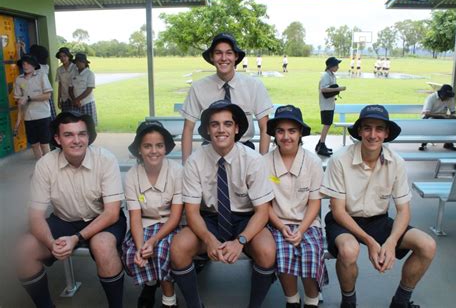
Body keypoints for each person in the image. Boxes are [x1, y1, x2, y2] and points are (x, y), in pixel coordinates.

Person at [321, 105, 436, 308]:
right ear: (359, 131)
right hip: (345, 220)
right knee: (349, 250)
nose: (373, 135)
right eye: (367, 128)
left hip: (378, 220)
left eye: (379, 129)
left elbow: (403, 210)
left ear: (386, 133)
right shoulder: (339, 159)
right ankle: (349, 302)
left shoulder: (396, 162)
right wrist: (371, 242)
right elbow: (337, 210)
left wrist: (391, 242)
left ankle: (400, 302)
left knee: (427, 245)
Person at [171, 100, 276, 308]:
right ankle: (195, 304)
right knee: (178, 249)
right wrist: (209, 239)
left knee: (267, 251)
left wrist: (241, 241)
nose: (221, 130)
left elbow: (263, 211)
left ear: (237, 129)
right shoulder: (195, 161)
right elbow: (191, 212)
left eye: (228, 124)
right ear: (208, 130)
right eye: (215, 124)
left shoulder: (253, 160)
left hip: (245, 219)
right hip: (209, 218)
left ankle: (254, 306)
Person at [16, 111, 127, 308]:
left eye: (82, 134)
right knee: (23, 249)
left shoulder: (106, 160)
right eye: (68, 135)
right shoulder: (45, 165)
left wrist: (75, 238)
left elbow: (111, 213)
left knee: (102, 246)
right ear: (57, 139)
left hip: (102, 219)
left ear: (89, 136)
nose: (76, 140)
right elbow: (35, 216)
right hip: (63, 219)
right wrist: (51, 243)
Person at [264, 105, 328, 308]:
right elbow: (264, 204)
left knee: (310, 254)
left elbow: (314, 203)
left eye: (292, 131)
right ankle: (291, 300)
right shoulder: (264, 163)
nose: (286, 136)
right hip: (276, 222)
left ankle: (312, 299)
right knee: (284, 255)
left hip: (307, 223)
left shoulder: (312, 162)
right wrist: (282, 227)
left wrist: (300, 230)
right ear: (274, 134)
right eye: (280, 131)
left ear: (300, 133)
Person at [179, 33, 273, 163]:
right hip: (209, 153)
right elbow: (188, 129)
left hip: (244, 152)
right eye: (218, 53)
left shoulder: (254, 86)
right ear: (212, 57)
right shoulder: (198, 87)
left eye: (229, 53)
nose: (224, 58)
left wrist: (263, 164)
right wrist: (186, 165)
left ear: (236, 57)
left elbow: (265, 127)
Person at [122, 119, 183, 308]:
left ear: (165, 149)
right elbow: (135, 217)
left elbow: (175, 216)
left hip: (170, 224)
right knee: (133, 252)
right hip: (144, 223)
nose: (154, 151)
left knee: (162, 250)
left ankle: (169, 300)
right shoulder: (132, 175)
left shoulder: (177, 171)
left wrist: (153, 241)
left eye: (159, 145)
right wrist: (141, 247)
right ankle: (149, 284)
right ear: (139, 149)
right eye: (147, 146)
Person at [13, 54, 53, 160]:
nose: (26, 65)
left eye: (29, 63)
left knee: (44, 144)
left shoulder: (41, 76)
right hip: (28, 117)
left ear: (34, 65)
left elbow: (48, 95)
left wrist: (29, 98)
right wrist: (19, 100)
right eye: (24, 63)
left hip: (43, 115)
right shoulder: (19, 79)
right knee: (34, 144)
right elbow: (17, 97)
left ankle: (49, 166)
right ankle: (40, 165)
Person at [315, 56, 346, 157]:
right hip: (325, 105)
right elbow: (323, 89)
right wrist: (339, 89)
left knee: (328, 124)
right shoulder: (325, 76)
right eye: (336, 65)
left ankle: (320, 144)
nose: (338, 67)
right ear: (331, 66)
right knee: (327, 125)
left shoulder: (331, 75)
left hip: (330, 104)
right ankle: (321, 146)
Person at [419, 84, 456, 151]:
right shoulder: (431, 98)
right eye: (446, 96)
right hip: (429, 116)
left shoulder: (450, 98)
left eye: (449, 96)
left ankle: (448, 143)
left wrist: (453, 116)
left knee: (453, 123)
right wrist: (441, 115)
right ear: (441, 93)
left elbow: (453, 111)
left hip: (443, 117)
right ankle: (424, 143)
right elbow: (426, 113)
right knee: (430, 123)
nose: (447, 98)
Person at [29, 44, 56, 121]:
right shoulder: (45, 66)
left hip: (39, 95)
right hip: (45, 93)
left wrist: (18, 50)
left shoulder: (37, 68)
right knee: (50, 116)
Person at [69, 52, 98, 125]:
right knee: (77, 124)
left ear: (84, 62)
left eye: (80, 61)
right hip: (75, 103)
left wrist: (77, 100)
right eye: (76, 62)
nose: (78, 63)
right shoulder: (73, 73)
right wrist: (74, 100)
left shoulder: (89, 74)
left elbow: (89, 90)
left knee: (89, 125)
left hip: (87, 102)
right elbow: (70, 88)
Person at [55, 47, 76, 112]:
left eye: (64, 56)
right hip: (64, 98)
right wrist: (58, 100)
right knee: (66, 119)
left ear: (69, 56)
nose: (62, 58)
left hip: (75, 97)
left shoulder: (75, 67)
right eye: (60, 56)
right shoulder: (59, 70)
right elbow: (60, 85)